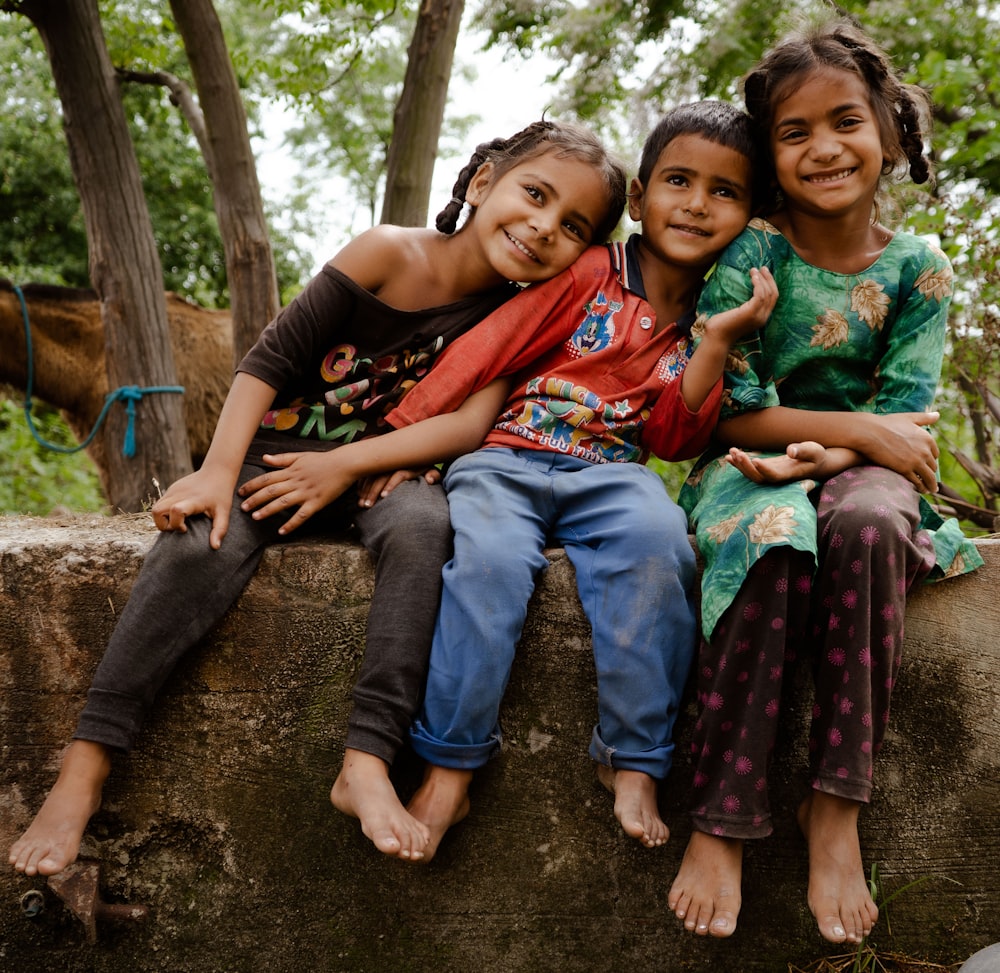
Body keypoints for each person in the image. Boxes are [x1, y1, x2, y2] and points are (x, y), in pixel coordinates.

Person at [8, 119, 630, 876]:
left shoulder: (518, 317)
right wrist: (216, 471)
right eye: (534, 194)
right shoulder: (387, 252)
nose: (542, 227)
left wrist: (349, 464)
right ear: (481, 182)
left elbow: (468, 423)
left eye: (573, 227)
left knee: (428, 526)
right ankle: (86, 767)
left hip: (376, 474)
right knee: (195, 544)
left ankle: (366, 759)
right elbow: (270, 357)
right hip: (271, 457)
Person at [310, 100, 775, 863]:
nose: (696, 204)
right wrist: (405, 438)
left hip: (614, 473)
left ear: (749, 213)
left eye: (724, 192)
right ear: (639, 198)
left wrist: (717, 344)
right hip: (507, 455)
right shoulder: (594, 269)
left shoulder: (715, 313)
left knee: (663, 547)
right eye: (680, 181)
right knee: (488, 565)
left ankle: (632, 760)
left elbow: (670, 437)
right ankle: (449, 766)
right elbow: (491, 346)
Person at [665, 20, 985, 946]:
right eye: (793, 132)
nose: (823, 147)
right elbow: (730, 413)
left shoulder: (918, 267)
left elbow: (909, 421)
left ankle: (835, 805)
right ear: (770, 156)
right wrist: (847, 437)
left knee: (877, 525)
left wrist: (838, 454)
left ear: (888, 130)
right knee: (775, 535)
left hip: (863, 475)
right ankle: (723, 810)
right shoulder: (751, 256)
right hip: (747, 464)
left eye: (844, 120)